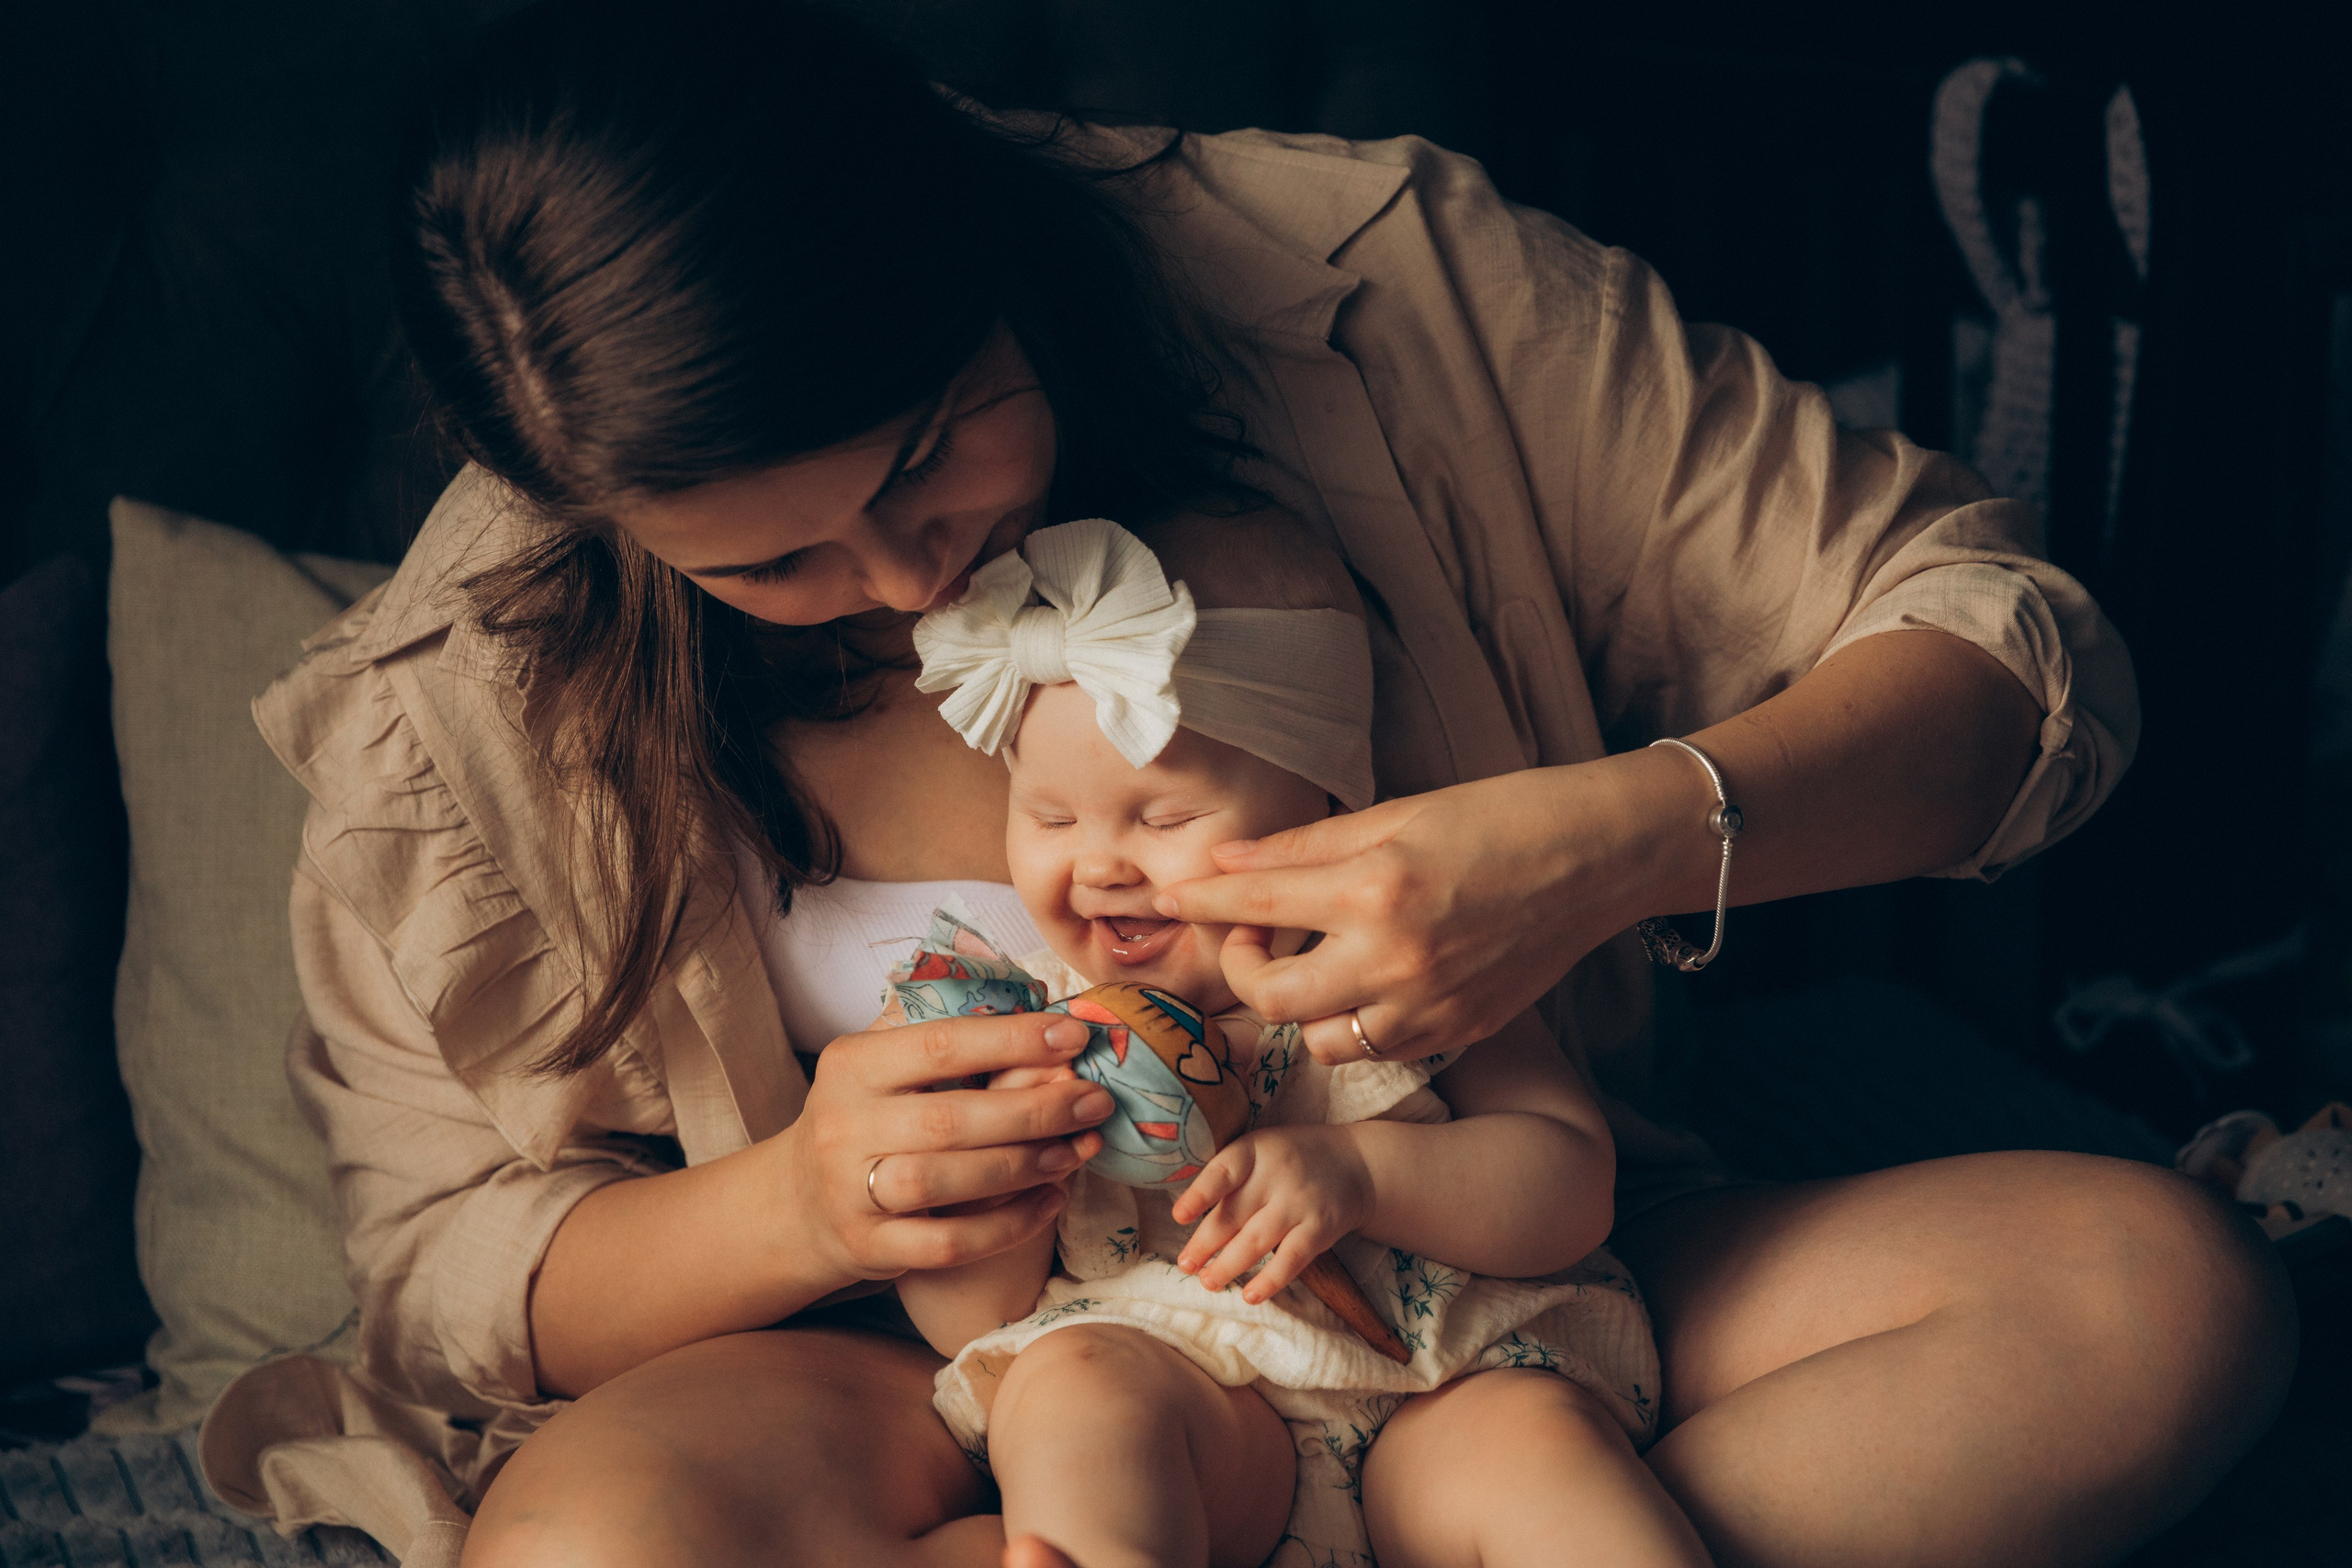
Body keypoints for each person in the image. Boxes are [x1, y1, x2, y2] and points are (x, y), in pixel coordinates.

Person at [198, 1, 2294, 1565]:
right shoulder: (472, 672)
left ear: (976, 259)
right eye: (766, 563)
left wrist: (1598, 842)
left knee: (2154, 1291)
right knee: (584, 1546)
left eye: (931, 451)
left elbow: (2022, 657)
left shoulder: (1381, 300)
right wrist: (815, 1192)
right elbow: (450, 1267)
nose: (908, 578)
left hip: (1474, 1321)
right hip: (948, 1371)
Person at [878, 514, 1694, 1567]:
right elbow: (962, 1314)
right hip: (1188, 1406)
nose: (1100, 865)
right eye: (1048, 817)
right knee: (1076, 1393)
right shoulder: (1017, 1016)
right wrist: (985, 1181)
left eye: (1162, 819)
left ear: (1327, 800)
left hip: (1433, 1381)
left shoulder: (1401, 965)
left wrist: (1362, 1170)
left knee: (1537, 1453)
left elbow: (1569, 1185)